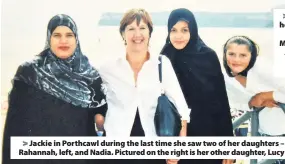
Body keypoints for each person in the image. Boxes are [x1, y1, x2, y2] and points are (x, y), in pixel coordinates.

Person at [2, 14, 107, 164]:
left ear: (76, 39)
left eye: (69, 35)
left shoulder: (91, 77)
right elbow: (13, 129)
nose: (63, 40)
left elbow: (97, 130)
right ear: (49, 38)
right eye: (57, 35)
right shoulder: (30, 73)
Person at [98, 8, 190, 164]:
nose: (137, 34)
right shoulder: (108, 68)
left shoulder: (162, 64)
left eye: (142, 28)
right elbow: (93, 100)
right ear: (123, 34)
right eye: (131, 29)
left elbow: (181, 108)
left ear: (150, 33)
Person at [160, 8, 234, 164]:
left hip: (209, 135)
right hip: (178, 138)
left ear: (192, 30)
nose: (178, 36)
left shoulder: (207, 56)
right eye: (174, 30)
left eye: (184, 30)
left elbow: (221, 101)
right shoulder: (164, 57)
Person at [223, 35, 285, 136]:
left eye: (243, 55)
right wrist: (252, 103)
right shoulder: (227, 78)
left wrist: (266, 96)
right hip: (261, 133)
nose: (236, 60)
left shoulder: (263, 67)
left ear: (252, 55)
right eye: (231, 54)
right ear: (225, 54)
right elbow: (236, 102)